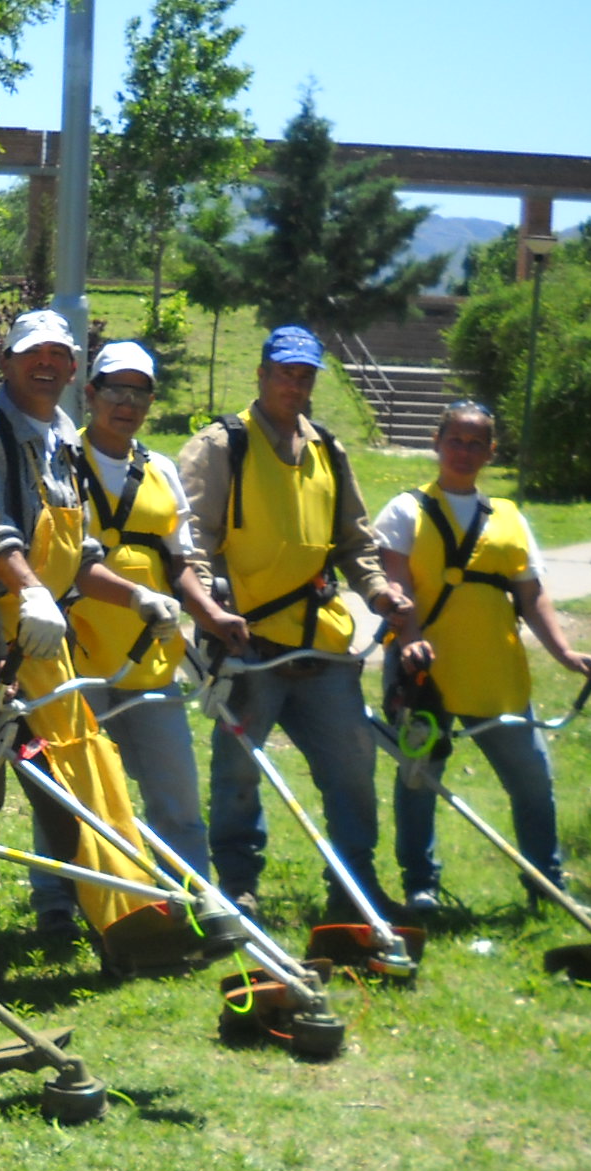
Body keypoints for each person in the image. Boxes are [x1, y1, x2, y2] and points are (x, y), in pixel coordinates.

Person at [0, 310, 181, 975]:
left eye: (58, 355)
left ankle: (125, 919)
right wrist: (30, 591)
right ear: (8, 363)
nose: (46, 365)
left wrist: (138, 596)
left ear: (74, 369)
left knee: (84, 777)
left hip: (46, 642)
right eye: (32, 354)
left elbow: (79, 555)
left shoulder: (57, 438)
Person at [177, 324, 419, 919]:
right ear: (261, 373)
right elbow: (189, 543)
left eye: (305, 374)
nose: (294, 383)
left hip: (325, 646)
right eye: (285, 371)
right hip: (249, 646)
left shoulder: (328, 450)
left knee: (353, 767)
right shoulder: (220, 446)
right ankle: (238, 886)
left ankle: (354, 888)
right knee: (240, 770)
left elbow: (355, 543)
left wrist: (380, 591)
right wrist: (211, 609)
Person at [374, 400, 591, 913]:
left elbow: (532, 595)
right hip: (424, 673)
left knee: (531, 781)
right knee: (419, 779)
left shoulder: (509, 517)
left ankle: (547, 887)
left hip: (495, 673)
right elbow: (395, 582)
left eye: (475, 442)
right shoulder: (404, 510)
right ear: (437, 444)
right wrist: (409, 635)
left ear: (490, 451)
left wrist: (566, 654)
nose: (463, 450)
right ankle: (421, 886)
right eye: (455, 440)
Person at [67, 341, 247, 880]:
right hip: (79, 658)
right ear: (91, 394)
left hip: (152, 658)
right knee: (82, 794)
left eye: (139, 392)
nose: (127, 403)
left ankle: (196, 895)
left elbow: (181, 562)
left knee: (176, 793)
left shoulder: (161, 470)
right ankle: (62, 902)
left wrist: (212, 616)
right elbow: (65, 562)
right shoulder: (59, 460)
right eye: (115, 390)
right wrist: (136, 597)